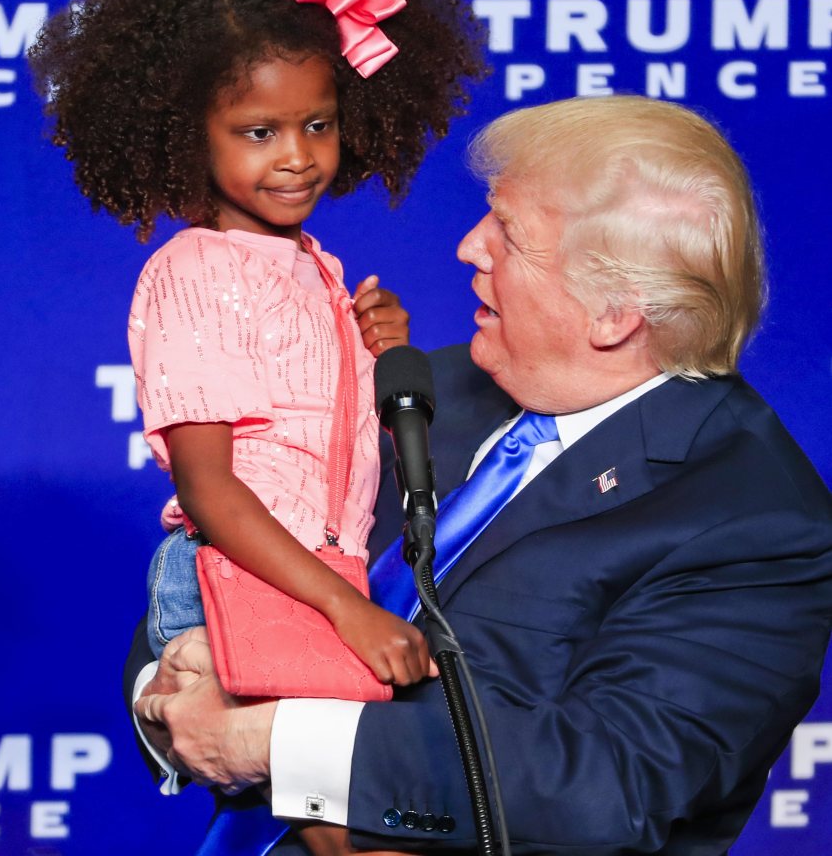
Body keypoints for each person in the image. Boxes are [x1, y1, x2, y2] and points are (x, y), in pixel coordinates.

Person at [127, 94, 832, 856]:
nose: (469, 247)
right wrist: (169, 703)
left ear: (614, 313)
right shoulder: (419, 386)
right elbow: (219, 563)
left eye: (510, 233)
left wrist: (276, 744)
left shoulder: (754, 518)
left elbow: (604, 781)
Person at [29, 0, 485, 714]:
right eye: (257, 131)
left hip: (314, 576)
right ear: (186, 137)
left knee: (339, 818)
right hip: (241, 578)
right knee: (332, 818)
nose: (297, 155)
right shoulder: (196, 271)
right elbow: (213, 491)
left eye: (318, 124)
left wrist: (381, 350)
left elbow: (330, 458)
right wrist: (348, 609)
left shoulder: (319, 267)